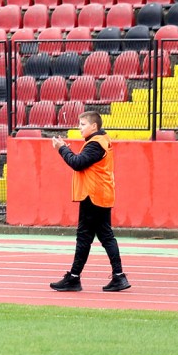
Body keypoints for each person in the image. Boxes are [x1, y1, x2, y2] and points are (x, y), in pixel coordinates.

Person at [50, 112, 130, 293]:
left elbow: (77, 163)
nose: (80, 127)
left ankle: (76, 278)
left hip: (92, 196)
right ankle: (116, 276)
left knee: (86, 237)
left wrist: (62, 148)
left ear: (94, 126)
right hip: (99, 194)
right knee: (103, 236)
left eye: (83, 124)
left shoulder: (95, 144)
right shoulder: (100, 140)